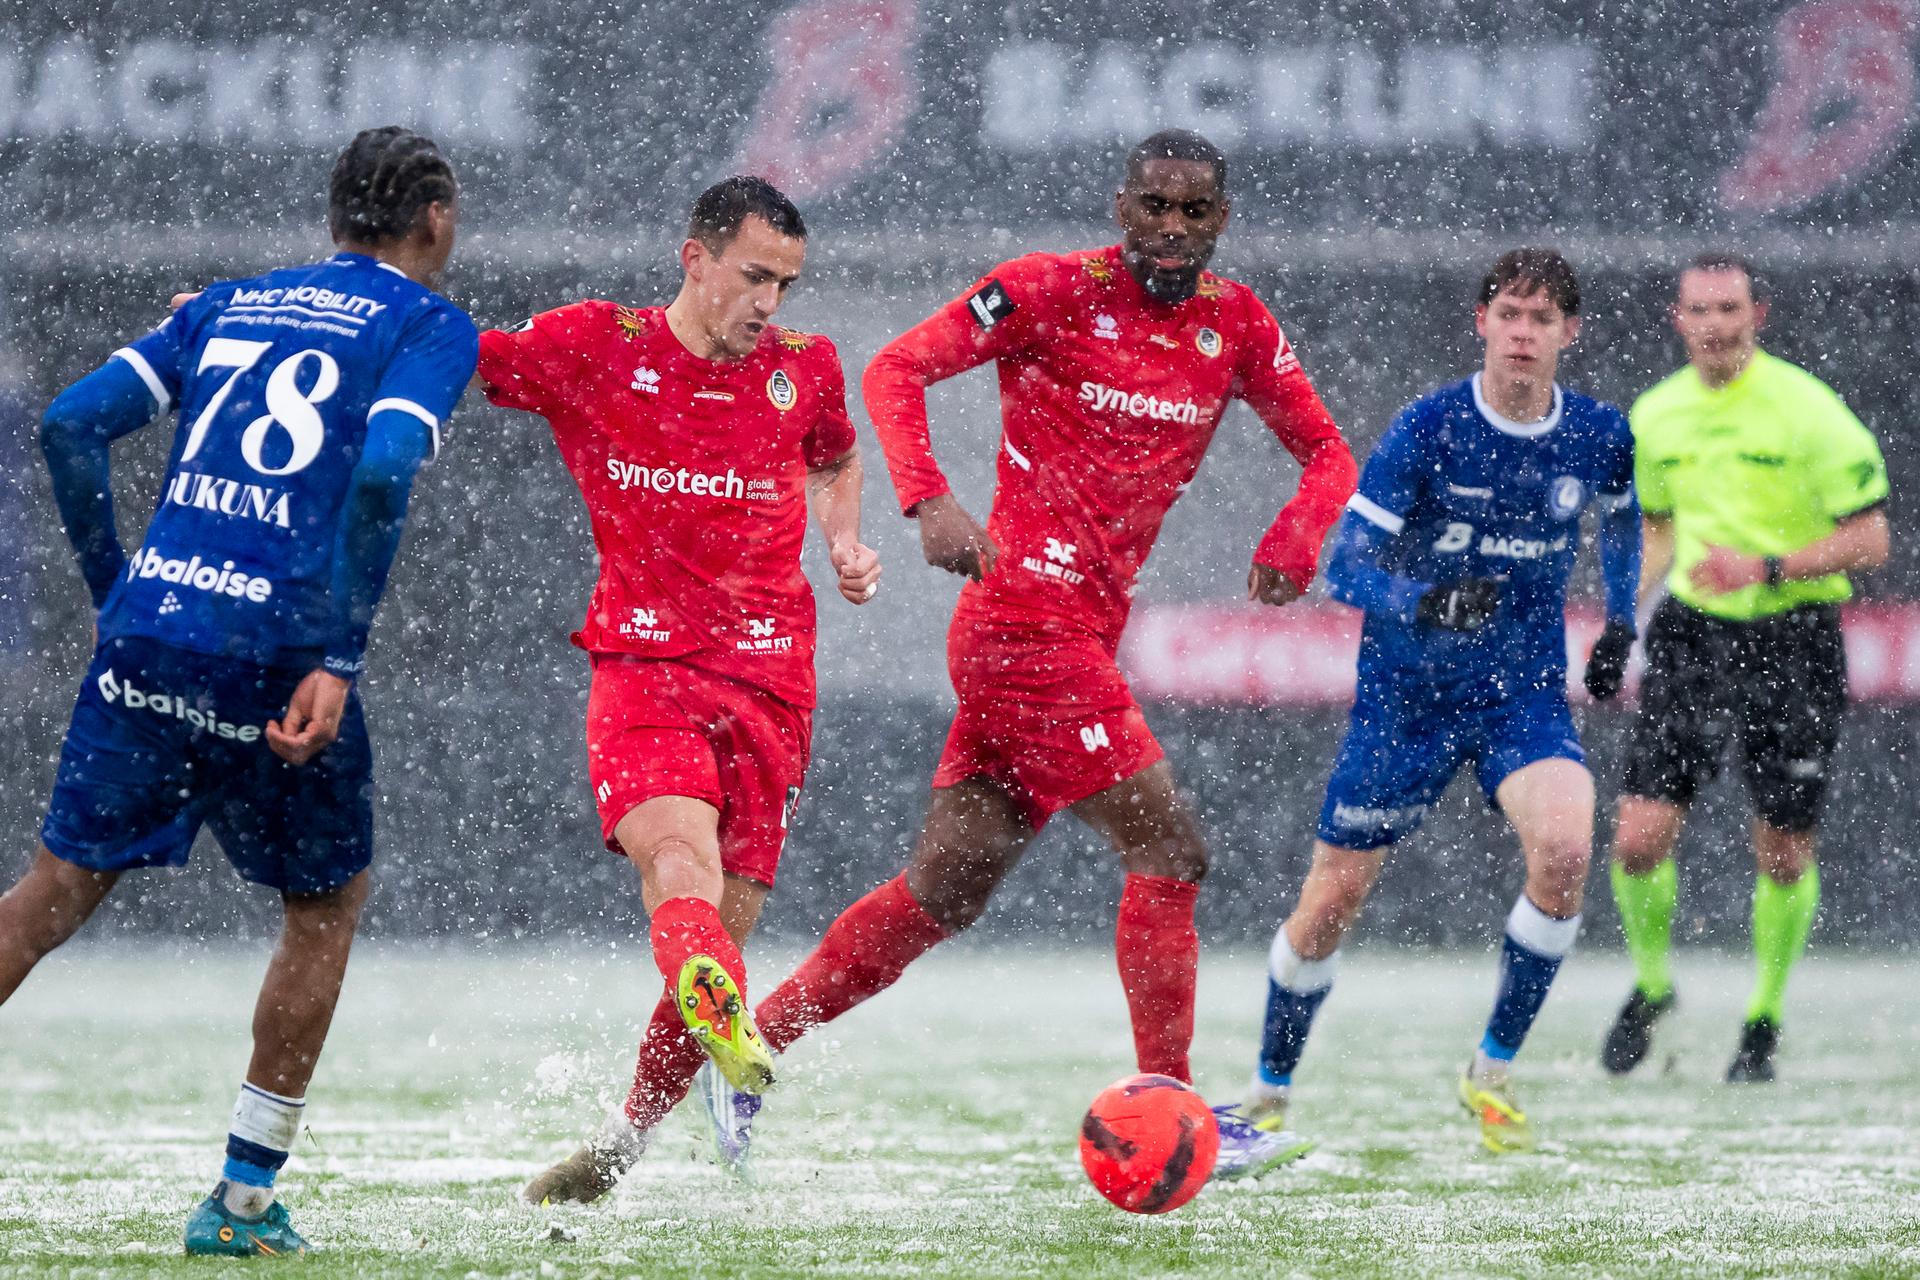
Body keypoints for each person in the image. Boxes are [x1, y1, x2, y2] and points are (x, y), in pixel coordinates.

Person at [699, 128, 1357, 1177]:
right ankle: (1178, 1114)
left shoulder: (1235, 324)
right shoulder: (1050, 292)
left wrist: (1296, 534)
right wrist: (927, 497)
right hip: (1022, 623)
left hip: (1074, 632)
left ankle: (746, 1050)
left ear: (1220, 221)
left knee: (944, 889)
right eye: (1154, 206)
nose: (1171, 227)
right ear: (1121, 208)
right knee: (1170, 849)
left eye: (1193, 211)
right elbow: (897, 366)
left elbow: (1328, 452)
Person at [0, 127, 477, 1254]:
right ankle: (243, 1202)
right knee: (324, 907)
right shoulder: (426, 323)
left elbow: (69, 425)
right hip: (278, 656)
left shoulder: (231, 302)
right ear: (436, 220)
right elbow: (383, 470)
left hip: (154, 633)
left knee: (50, 895)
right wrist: (338, 655)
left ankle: (247, 1201)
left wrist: (117, 589)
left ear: (335, 213)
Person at [479, 176, 881, 1203]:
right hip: (645, 667)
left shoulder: (806, 367)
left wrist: (843, 537)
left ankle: (621, 1142)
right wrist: (261, 326)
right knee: (676, 861)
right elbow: (446, 349)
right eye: (754, 276)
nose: (769, 303)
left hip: (773, 679)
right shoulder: (595, 345)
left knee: (716, 933)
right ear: (694, 258)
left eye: (785, 284)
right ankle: (710, 991)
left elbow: (836, 460)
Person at [1222, 249, 1641, 1166]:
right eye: (1509, 315)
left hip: (1520, 696)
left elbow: (1621, 516)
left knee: (1568, 850)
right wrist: (1425, 601)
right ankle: (1268, 1090)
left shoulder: (1601, 435)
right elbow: (1346, 566)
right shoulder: (1429, 428)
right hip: (1405, 700)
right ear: (1481, 322)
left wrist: (1619, 622)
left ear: (1570, 333)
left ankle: (1491, 1073)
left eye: (1542, 319)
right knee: (1330, 904)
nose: (1523, 333)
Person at [1600, 254, 1889, 1084]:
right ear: (1677, 319)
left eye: (1729, 309)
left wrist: (1768, 567)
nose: (1715, 325)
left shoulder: (1809, 411)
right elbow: (1657, 528)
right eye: (1700, 310)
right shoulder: (1657, 414)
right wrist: (1620, 617)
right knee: (1637, 840)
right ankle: (1653, 987)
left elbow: (1870, 539)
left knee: (1784, 851)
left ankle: (1763, 1017)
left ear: (1758, 315)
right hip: (1693, 635)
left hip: (1794, 637)